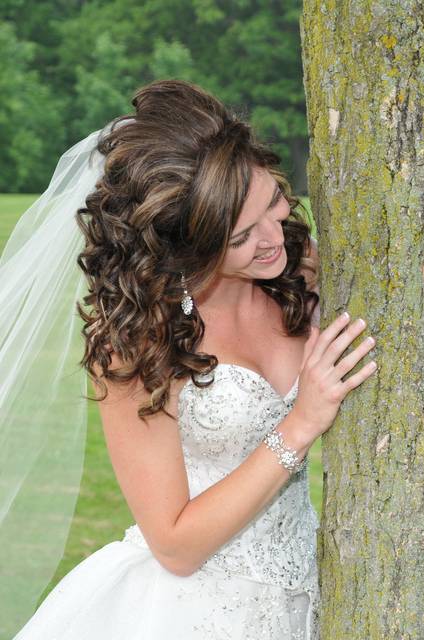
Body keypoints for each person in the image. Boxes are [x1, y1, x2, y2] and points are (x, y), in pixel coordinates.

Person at [5, 80, 377, 639]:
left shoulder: (297, 273)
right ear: (188, 245)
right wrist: (300, 427)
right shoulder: (137, 343)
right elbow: (176, 545)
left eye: (275, 200)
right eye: (242, 236)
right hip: (190, 613)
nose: (276, 237)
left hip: (310, 599)